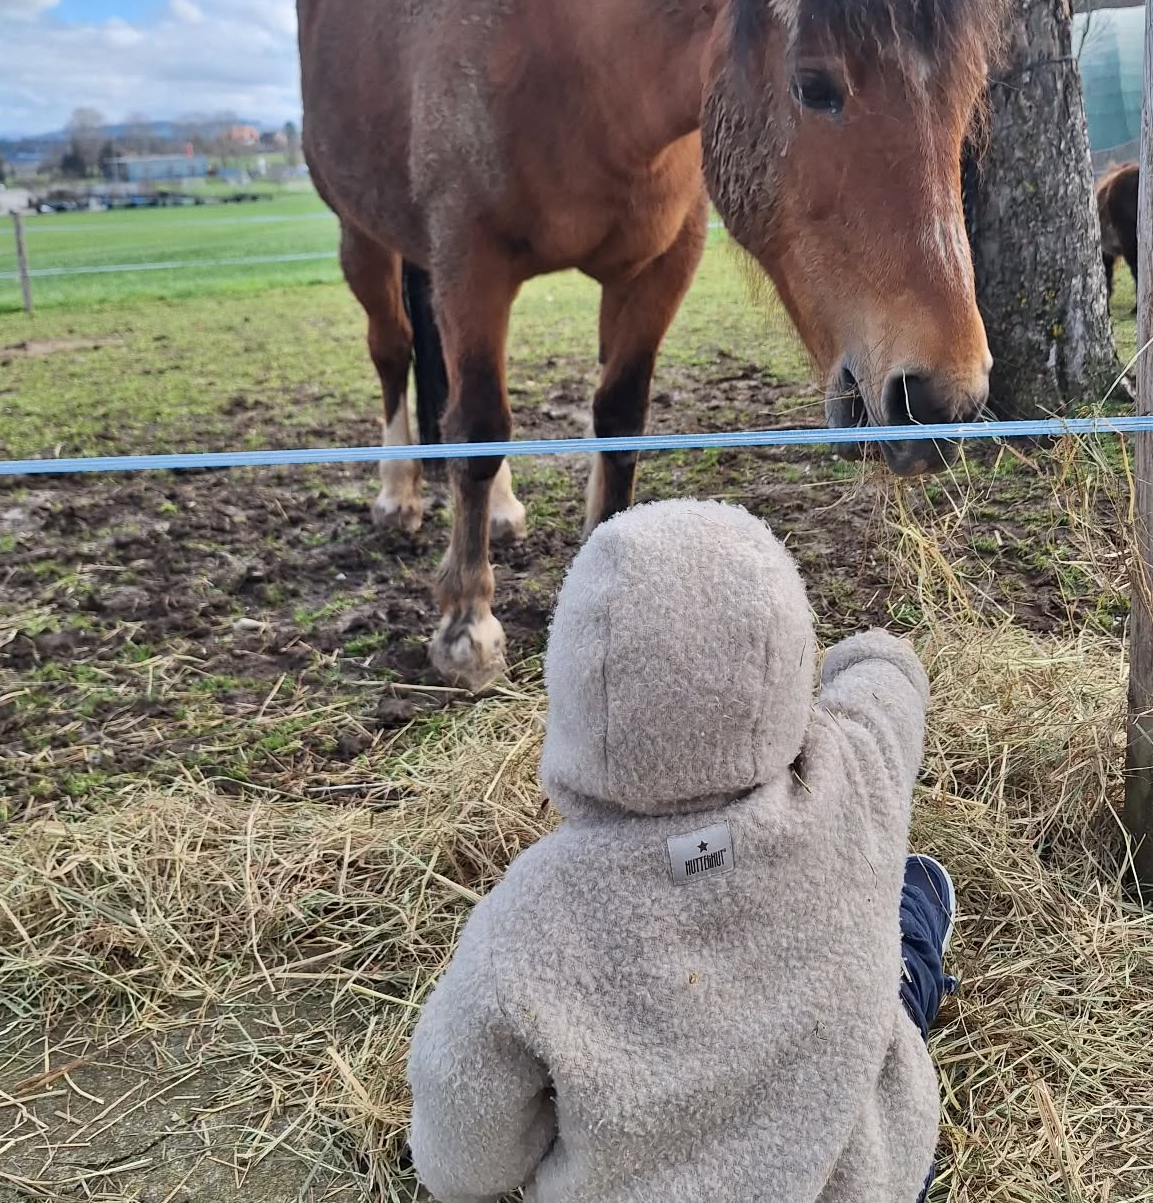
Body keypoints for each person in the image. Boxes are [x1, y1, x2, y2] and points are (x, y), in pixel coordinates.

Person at [407, 499, 957, 1203]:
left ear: (572, 679)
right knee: (900, 925)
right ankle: (916, 964)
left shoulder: (528, 922)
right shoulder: (851, 775)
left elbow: (462, 1163)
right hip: (861, 1181)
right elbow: (889, 688)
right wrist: (865, 655)